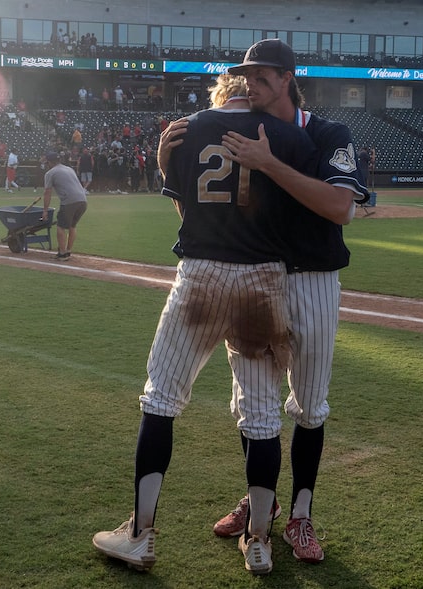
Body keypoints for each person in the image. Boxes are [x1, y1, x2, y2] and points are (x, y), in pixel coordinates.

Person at [92, 74, 319, 576]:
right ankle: (258, 543)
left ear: (222, 92)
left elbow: (186, 212)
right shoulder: (287, 134)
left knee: (162, 400)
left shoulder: (187, 128)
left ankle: (141, 534)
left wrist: (162, 161)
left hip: (200, 274)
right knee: (261, 416)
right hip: (263, 279)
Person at [159, 39, 368, 567]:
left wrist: (269, 164)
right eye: (246, 75)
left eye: (262, 75)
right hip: (254, 280)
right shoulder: (234, 132)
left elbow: (341, 207)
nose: (251, 83)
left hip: (313, 279)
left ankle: (301, 517)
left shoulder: (325, 133)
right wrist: (167, 163)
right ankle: (263, 507)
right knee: (254, 407)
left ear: (287, 77)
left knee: (310, 406)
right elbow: (201, 222)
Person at [40, 151, 87, 260]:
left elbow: (47, 193)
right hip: (83, 200)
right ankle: (68, 251)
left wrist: (45, 210)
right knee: (72, 226)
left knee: (61, 226)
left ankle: (62, 253)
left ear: (50, 163)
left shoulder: (50, 173)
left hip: (69, 202)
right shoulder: (69, 169)